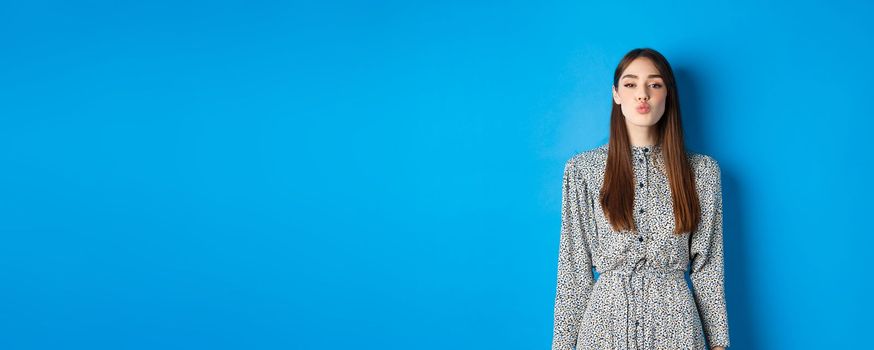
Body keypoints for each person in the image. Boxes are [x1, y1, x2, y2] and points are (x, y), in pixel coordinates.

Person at [551, 48, 730, 350]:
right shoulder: (584, 170)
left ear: (668, 94)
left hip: (678, 332)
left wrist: (719, 345)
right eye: (631, 84)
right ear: (616, 94)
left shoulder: (701, 172)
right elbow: (573, 271)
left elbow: (709, 269)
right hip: (602, 332)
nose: (642, 95)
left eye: (655, 84)